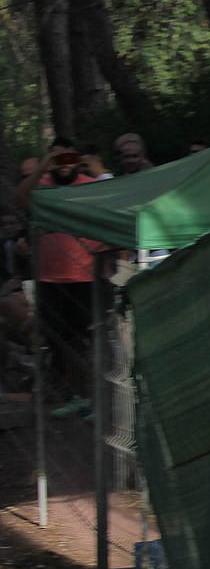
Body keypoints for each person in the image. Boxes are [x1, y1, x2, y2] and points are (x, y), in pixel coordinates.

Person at [19, 140, 104, 416]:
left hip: (84, 275)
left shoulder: (87, 184)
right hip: (49, 279)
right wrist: (44, 164)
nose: (64, 163)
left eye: (70, 157)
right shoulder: (42, 185)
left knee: (86, 340)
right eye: (59, 158)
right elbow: (19, 200)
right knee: (60, 340)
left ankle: (96, 399)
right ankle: (78, 396)